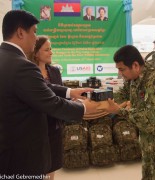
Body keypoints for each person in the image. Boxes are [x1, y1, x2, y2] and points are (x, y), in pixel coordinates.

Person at [0, 10, 99, 178]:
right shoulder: (22, 66)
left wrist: (69, 91)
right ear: (20, 32)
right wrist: (83, 108)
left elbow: (37, 89)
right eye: (34, 32)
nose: (36, 38)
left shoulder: (5, 58)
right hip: (22, 159)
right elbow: (51, 103)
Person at [104, 45, 155, 179]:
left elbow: (153, 120)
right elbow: (125, 93)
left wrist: (120, 111)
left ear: (135, 65)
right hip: (149, 145)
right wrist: (103, 99)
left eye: (122, 69)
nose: (120, 73)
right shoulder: (135, 79)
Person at [29, 35, 94, 180]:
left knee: (52, 164)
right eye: (47, 49)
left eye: (51, 49)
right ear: (36, 52)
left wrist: (72, 98)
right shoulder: (29, 72)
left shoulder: (55, 71)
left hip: (55, 125)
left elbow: (58, 93)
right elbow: (45, 92)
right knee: (39, 165)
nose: (51, 52)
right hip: (36, 126)